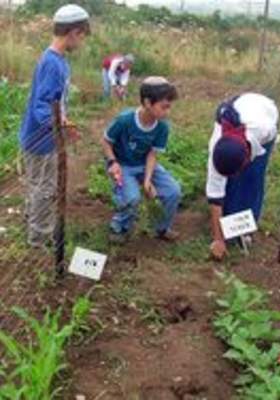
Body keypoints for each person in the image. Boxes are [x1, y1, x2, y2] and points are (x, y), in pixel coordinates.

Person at [19, 4, 90, 248]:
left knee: (37, 183)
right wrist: (59, 127)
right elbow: (42, 107)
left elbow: (53, 104)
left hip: (41, 136)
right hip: (42, 140)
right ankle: (39, 237)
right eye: (82, 36)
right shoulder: (52, 63)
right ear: (73, 32)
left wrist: (63, 121)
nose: (82, 42)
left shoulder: (57, 60)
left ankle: (31, 220)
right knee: (45, 188)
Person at [102, 76, 181, 242]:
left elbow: (152, 154)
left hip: (144, 165)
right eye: (163, 107)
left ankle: (161, 227)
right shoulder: (125, 120)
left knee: (173, 191)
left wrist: (147, 181)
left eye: (169, 107)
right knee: (132, 198)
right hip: (122, 165)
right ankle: (119, 227)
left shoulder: (162, 127)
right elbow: (106, 142)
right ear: (147, 103)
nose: (167, 112)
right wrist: (112, 162)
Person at [206, 93, 279, 260]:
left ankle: (247, 226)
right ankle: (228, 223)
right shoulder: (216, 151)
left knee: (253, 177)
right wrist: (218, 239)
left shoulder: (264, 130)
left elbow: (267, 144)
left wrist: (253, 163)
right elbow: (214, 195)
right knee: (231, 182)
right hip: (239, 112)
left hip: (265, 111)